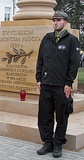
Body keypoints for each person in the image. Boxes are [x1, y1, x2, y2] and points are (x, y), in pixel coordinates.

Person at [36, 11, 80, 158]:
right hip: (46, 84)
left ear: (65, 22)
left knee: (62, 116)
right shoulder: (47, 39)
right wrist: (39, 79)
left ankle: (58, 143)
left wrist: (69, 82)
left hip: (61, 86)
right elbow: (40, 60)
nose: (55, 22)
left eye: (58, 20)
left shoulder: (71, 40)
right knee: (45, 115)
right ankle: (48, 142)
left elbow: (74, 64)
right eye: (54, 20)